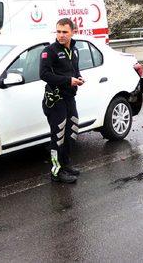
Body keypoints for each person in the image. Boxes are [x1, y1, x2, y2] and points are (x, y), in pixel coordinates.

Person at [40, 18, 84, 184]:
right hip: (55, 99)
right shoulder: (49, 51)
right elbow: (44, 74)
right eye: (58, 31)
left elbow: (75, 70)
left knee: (71, 132)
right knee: (57, 136)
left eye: (65, 32)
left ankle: (65, 165)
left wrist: (78, 77)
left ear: (73, 31)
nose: (61, 35)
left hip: (70, 97)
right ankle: (56, 172)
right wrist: (68, 81)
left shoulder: (75, 50)